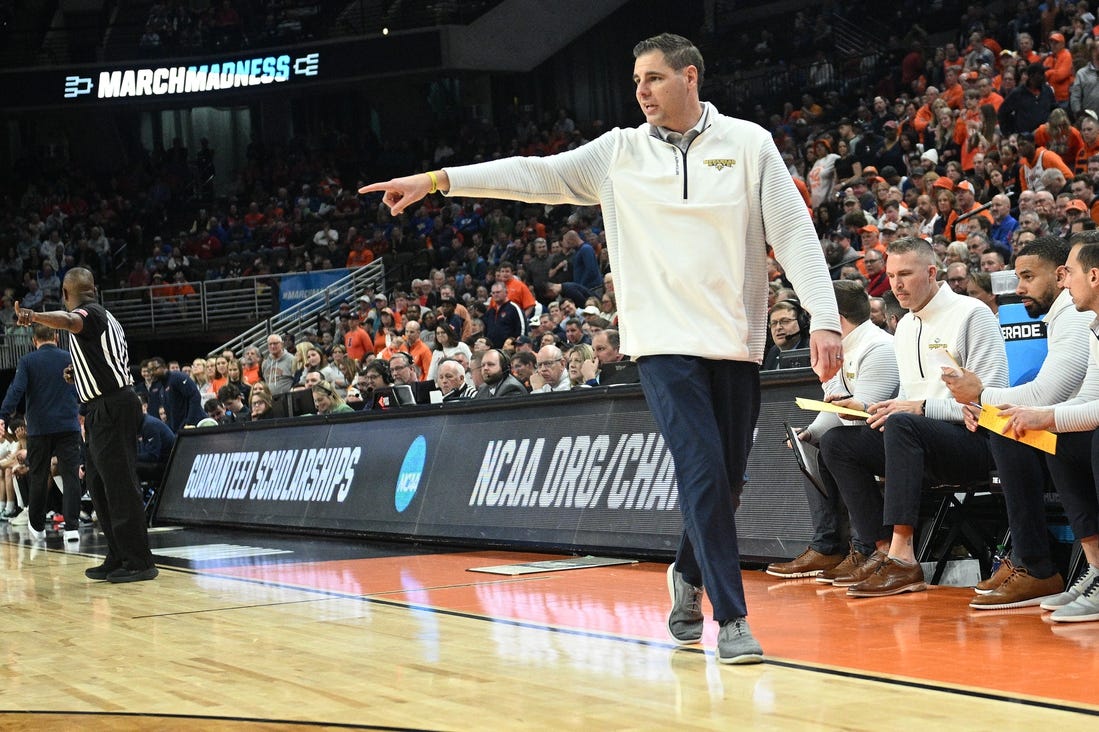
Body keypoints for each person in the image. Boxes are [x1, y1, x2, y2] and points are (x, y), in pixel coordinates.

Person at [360, 32, 842, 664]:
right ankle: (732, 618)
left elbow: (792, 232)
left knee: (725, 483)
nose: (640, 91)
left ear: (690, 77)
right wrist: (438, 179)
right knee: (699, 469)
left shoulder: (749, 145)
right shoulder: (618, 153)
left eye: (653, 78)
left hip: (735, 342)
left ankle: (687, 573)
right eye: (636, 80)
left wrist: (824, 318)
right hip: (662, 344)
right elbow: (535, 177)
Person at [819, 237, 1006, 598]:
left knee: (904, 424)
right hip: (920, 441)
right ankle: (882, 549)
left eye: (905, 274)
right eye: (890, 276)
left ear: (933, 272)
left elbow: (989, 403)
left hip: (975, 442)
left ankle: (905, 559)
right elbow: (908, 401)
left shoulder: (972, 314)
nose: (896, 285)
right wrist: (867, 408)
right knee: (838, 443)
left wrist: (919, 408)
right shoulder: (904, 327)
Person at [943, 236, 1092, 609]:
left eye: (1028, 276)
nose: (1018, 288)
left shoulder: (1075, 317)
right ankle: (1040, 563)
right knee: (1013, 426)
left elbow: (1047, 395)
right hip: (1082, 427)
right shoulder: (1067, 316)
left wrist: (981, 397)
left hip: (1085, 433)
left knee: (1012, 428)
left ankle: (1037, 566)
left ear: (1061, 276)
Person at [14, 267, 158, 583]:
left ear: (66, 294)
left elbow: (68, 322)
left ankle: (139, 561)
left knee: (118, 484)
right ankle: (118, 554)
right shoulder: (102, 317)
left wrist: (34, 316)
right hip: (101, 407)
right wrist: (76, 373)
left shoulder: (87, 314)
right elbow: (104, 361)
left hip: (113, 407)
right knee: (97, 483)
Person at [766, 281, 899, 579]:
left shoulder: (879, 349)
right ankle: (828, 546)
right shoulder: (846, 346)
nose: (812, 326)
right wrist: (810, 433)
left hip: (895, 439)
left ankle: (868, 546)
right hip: (866, 437)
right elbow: (836, 408)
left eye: (815, 317)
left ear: (834, 318)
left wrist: (830, 379)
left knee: (838, 443)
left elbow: (859, 420)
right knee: (814, 444)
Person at [0, 323, 83, 542]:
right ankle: (72, 528)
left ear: (33, 341)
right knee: (70, 475)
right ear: (56, 337)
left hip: (39, 428)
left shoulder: (28, 361)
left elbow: (16, 389)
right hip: (68, 425)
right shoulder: (69, 357)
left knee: (38, 476)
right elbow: (82, 388)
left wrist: (3, 415)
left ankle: (37, 527)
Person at [147, 356, 204, 432]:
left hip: (193, 426)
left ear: (163, 367)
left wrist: (189, 422)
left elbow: (195, 396)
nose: (151, 373)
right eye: (149, 370)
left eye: (154, 369)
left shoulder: (177, 377)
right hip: (178, 429)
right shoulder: (161, 387)